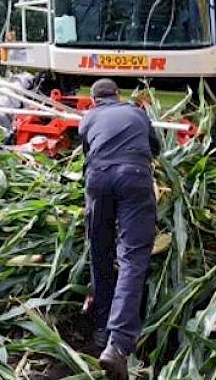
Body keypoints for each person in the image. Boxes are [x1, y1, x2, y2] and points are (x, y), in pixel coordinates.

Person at [78, 78, 160, 380]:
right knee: (132, 258)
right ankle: (118, 344)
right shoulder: (137, 112)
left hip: (98, 180)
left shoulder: (88, 118)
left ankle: (100, 330)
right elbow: (156, 148)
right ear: (120, 95)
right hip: (135, 179)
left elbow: (89, 150)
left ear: (92, 100)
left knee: (100, 252)